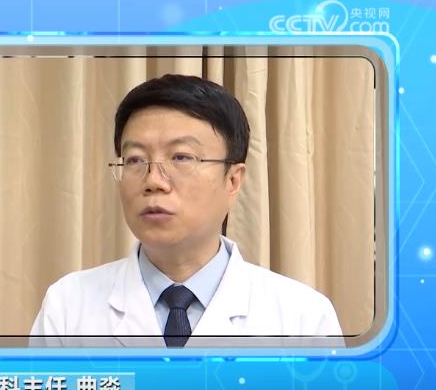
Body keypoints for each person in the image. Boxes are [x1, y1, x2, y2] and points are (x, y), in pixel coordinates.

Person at [29, 74, 342, 347]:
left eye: (181, 157)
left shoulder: (303, 318)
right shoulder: (68, 306)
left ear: (233, 180)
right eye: (135, 160)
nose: (153, 181)